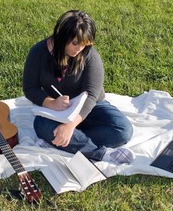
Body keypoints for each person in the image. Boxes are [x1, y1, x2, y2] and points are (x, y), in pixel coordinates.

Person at [23, 10, 134, 164]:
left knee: (123, 131)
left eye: (84, 44)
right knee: (41, 126)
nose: (79, 49)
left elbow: (91, 95)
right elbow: (30, 88)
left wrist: (70, 126)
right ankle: (101, 154)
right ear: (62, 37)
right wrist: (51, 102)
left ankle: (63, 141)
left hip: (90, 108)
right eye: (75, 43)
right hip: (58, 111)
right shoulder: (38, 53)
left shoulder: (90, 55)